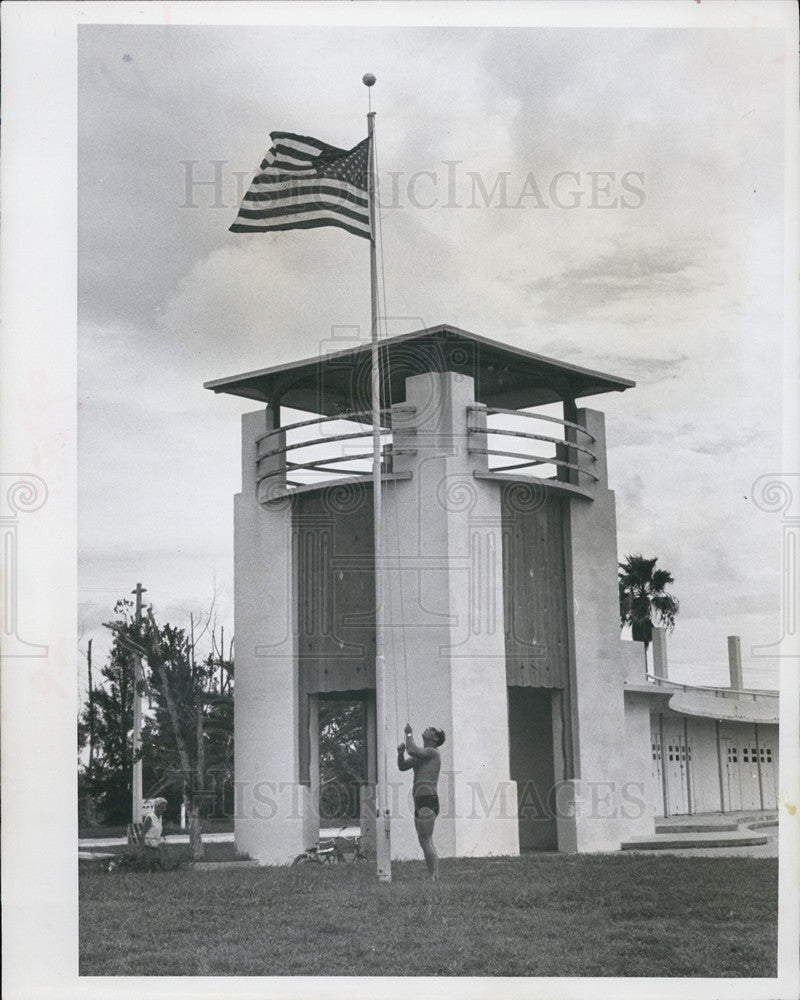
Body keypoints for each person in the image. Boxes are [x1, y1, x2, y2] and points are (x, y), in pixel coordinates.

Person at [397, 723, 445, 880]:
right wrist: (400, 753)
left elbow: (412, 749)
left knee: (425, 840)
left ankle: (432, 877)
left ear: (435, 738)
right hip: (420, 802)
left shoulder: (432, 752)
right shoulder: (421, 756)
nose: (427, 729)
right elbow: (402, 766)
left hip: (427, 801)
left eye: (431, 730)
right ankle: (435, 875)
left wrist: (409, 734)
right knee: (425, 840)